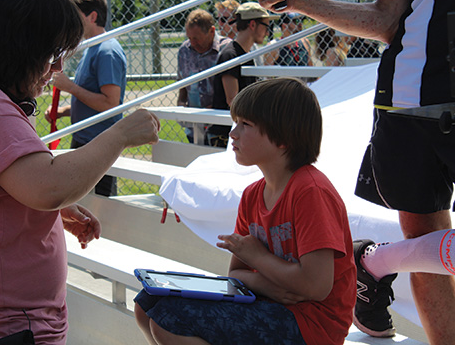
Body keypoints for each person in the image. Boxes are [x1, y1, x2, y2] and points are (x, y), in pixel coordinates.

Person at [0, 0, 160, 344]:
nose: (57, 69)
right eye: (52, 54)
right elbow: (48, 186)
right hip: (3, 325)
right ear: (17, 45)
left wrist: (45, 211)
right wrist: (121, 134)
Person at [257, 0, 455, 343]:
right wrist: (297, 1)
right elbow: (387, 18)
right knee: (421, 241)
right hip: (408, 97)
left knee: (419, 244)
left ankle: (377, 263)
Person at [134, 78, 356, 345]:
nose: (233, 133)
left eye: (245, 124)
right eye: (235, 122)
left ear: (283, 138)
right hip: (270, 302)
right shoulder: (252, 195)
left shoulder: (311, 191)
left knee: (169, 320)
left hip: (312, 325)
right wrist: (267, 284)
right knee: (147, 303)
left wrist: (258, 257)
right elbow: (236, 275)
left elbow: (316, 286)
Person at [45, 0, 126, 196]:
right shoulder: (93, 47)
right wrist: (64, 111)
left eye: (76, 16)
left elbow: (110, 104)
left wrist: (69, 87)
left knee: (99, 207)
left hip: (99, 144)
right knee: (80, 203)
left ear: (93, 16)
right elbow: (92, 101)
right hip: (85, 140)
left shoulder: (107, 51)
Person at [207, 2, 275, 147]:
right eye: (266, 26)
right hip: (226, 134)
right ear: (252, 25)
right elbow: (233, 100)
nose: (267, 32)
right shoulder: (230, 55)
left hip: (240, 130)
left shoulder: (246, 55)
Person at [176, 9, 232, 143]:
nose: (193, 43)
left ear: (212, 31)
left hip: (221, 126)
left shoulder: (227, 50)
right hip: (193, 126)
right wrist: (181, 103)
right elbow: (183, 84)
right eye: (189, 38)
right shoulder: (184, 51)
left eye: (196, 38)